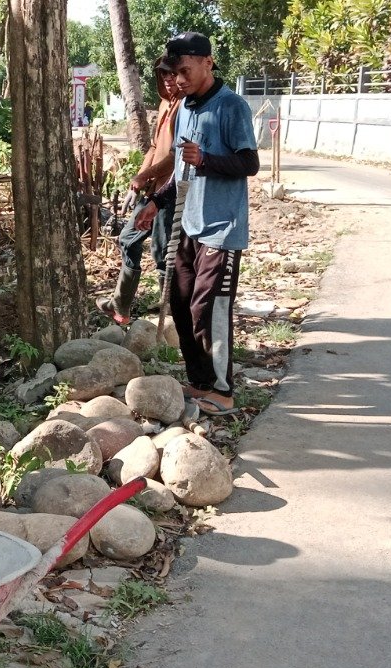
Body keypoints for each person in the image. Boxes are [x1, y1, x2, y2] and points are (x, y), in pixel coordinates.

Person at [140, 32, 259, 416]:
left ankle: (224, 390)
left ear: (207, 62)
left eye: (184, 71)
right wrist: (157, 202)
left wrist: (206, 159)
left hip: (222, 229)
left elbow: (249, 164)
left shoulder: (232, 107)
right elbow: (181, 170)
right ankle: (201, 380)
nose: (177, 79)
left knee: (209, 311)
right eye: (173, 73)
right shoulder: (187, 108)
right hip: (189, 225)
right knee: (180, 302)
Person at [98, 56, 182, 325]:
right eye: (163, 75)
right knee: (128, 238)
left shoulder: (186, 109)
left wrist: (146, 175)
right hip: (153, 189)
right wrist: (139, 179)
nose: (168, 80)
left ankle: (167, 314)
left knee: (162, 251)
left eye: (172, 74)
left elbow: (175, 156)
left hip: (171, 191)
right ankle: (121, 305)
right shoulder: (166, 105)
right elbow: (156, 149)